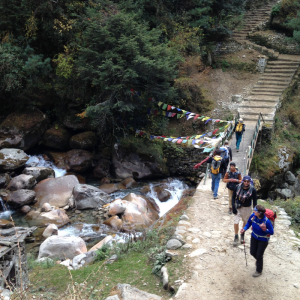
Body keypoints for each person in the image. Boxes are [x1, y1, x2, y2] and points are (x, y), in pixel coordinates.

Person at [241, 205, 274, 277]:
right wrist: (244, 229)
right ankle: (259, 261)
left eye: (255, 210)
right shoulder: (253, 216)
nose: (253, 211)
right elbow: (249, 223)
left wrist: (265, 230)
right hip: (254, 237)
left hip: (263, 240)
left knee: (259, 255)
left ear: (259, 213)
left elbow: (271, 232)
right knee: (252, 252)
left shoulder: (266, 221)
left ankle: (259, 270)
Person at [232, 175, 257, 246]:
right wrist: (233, 206)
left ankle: (242, 233)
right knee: (236, 221)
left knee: (245, 222)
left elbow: (255, 201)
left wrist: (255, 211)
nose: (246, 183)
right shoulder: (237, 187)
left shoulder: (253, 190)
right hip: (238, 207)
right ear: (243, 181)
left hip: (247, 208)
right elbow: (233, 197)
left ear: (250, 182)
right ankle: (236, 236)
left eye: (248, 181)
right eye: (245, 181)